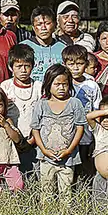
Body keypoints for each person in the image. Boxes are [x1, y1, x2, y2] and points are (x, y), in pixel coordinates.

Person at [31, 64, 87, 201]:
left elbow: (80, 128)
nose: (61, 88)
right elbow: (35, 129)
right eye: (57, 84)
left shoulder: (75, 103)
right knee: (46, 192)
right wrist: (44, 150)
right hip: (46, 158)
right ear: (49, 84)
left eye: (65, 84)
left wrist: (69, 150)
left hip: (68, 158)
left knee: (66, 193)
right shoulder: (42, 104)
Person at [62, 44, 102, 190]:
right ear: (64, 64)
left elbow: (96, 108)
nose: (75, 68)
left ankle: (86, 193)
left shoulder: (92, 85)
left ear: (86, 64)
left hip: (87, 133)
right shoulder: (62, 83)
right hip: (67, 132)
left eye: (79, 64)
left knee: (86, 166)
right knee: (68, 165)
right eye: (71, 64)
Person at [0, 44, 42, 184]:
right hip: (11, 140)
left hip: (34, 139)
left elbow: (43, 115)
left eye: (27, 66)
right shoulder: (5, 86)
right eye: (19, 66)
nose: (23, 70)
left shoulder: (38, 87)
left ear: (33, 66)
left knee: (34, 176)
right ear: (11, 67)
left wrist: (33, 139)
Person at [23, 6, 67, 83]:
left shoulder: (63, 48)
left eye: (47, 23)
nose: (43, 28)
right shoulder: (23, 47)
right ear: (33, 27)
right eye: (39, 24)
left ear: (54, 25)